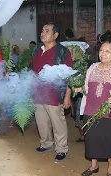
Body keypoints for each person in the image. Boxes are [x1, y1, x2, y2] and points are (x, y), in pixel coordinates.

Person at [76, 41, 111, 176]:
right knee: (92, 140)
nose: (103, 54)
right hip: (91, 110)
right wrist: (80, 89)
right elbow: (87, 87)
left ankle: (110, 169)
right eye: (101, 50)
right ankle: (94, 166)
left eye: (107, 51)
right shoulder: (92, 67)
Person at [31, 22, 73, 162]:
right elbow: (33, 72)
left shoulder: (62, 52)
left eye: (47, 31)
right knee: (41, 122)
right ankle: (46, 144)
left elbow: (69, 76)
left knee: (58, 123)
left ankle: (62, 149)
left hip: (54, 95)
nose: (43, 33)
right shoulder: (37, 50)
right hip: (38, 94)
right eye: (42, 30)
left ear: (55, 35)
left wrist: (67, 97)